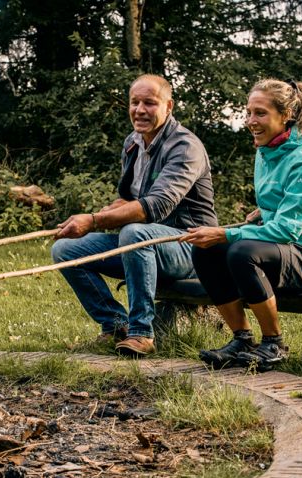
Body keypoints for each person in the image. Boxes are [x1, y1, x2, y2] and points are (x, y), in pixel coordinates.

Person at [182, 79, 302, 371]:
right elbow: (286, 203)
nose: (251, 121)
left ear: (286, 116)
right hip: (288, 250)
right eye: (248, 113)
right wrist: (265, 210)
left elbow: (286, 231)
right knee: (205, 252)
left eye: (260, 113)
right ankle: (242, 339)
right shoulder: (265, 151)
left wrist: (225, 233)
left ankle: (273, 343)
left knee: (241, 251)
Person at [51, 74, 218, 356]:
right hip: (145, 244)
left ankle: (142, 333)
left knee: (133, 233)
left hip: (192, 247)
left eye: (149, 103)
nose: (140, 110)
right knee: (65, 249)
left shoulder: (185, 146)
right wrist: (113, 209)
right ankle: (117, 325)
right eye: (134, 102)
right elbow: (131, 198)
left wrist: (93, 220)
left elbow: (156, 206)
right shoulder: (133, 142)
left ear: (169, 106)